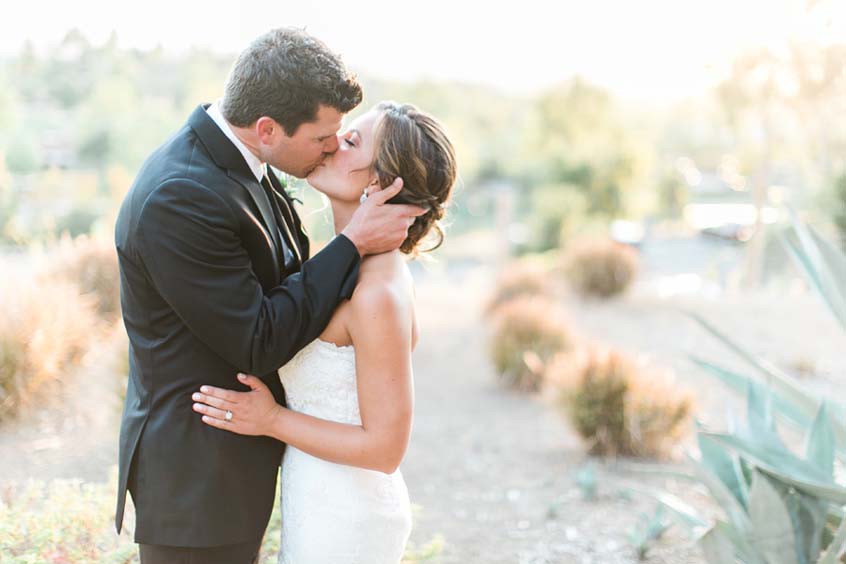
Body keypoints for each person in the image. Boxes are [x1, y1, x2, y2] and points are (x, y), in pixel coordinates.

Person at [113, 28, 425, 564]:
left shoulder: (250, 163)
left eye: (346, 138)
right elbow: (256, 339)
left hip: (269, 476)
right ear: (267, 128)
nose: (332, 147)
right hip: (199, 483)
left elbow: (289, 291)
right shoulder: (182, 194)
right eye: (325, 136)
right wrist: (350, 243)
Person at [192, 100, 457, 563]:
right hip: (316, 497)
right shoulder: (343, 268)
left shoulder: (376, 294)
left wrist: (271, 420)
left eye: (351, 142)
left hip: (348, 516)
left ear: (381, 183)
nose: (332, 144)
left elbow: (385, 448)